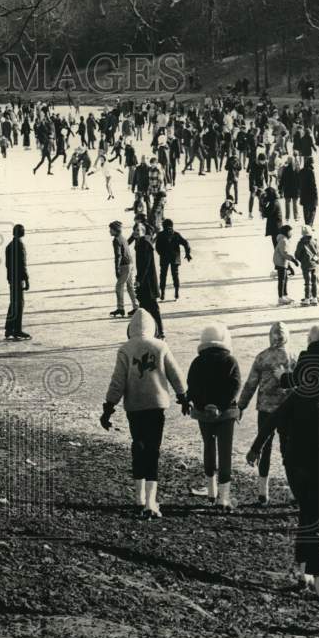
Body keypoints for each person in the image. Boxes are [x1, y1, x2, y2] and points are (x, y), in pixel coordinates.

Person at [261, 346, 319, 601]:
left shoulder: (301, 394)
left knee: (306, 518)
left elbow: (275, 418)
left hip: (295, 467)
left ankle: (302, 572)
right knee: (318, 525)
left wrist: (256, 448)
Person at [99, 309, 189, 519]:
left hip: (135, 406)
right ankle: (151, 501)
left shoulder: (125, 349)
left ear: (130, 329)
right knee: (153, 449)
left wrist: (108, 408)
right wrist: (183, 397)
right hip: (157, 404)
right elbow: (176, 374)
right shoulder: (161, 346)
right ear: (152, 328)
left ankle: (139, 498)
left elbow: (117, 381)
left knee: (138, 444)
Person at [186, 324, 242, 510]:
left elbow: (192, 386)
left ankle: (211, 492)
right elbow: (234, 387)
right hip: (225, 414)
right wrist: (221, 405)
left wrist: (204, 405)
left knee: (208, 448)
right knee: (225, 453)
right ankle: (223, 499)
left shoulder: (197, 362)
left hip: (204, 414)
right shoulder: (230, 361)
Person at [241, 322, 297, 505]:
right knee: (287, 450)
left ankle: (263, 493)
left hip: (265, 409)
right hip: (287, 410)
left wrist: (241, 405)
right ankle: (293, 491)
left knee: (264, 449)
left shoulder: (262, 357)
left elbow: (250, 384)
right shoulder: (294, 357)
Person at [131, 221, 164, 338]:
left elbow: (145, 265)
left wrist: (139, 280)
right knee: (145, 308)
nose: (136, 232)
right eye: (135, 230)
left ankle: (160, 332)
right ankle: (151, 332)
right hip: (146, 280)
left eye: (138, 230)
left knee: (153, 308)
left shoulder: (144, 244)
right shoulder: (141, 241)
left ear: (143, 232)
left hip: (148, 282)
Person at [4, 224, 31, 340]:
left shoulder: (9, 246)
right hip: (18, 278)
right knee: (19, 304)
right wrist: (26, 279)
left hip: (11, 278)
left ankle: (9, 329)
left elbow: (7, 264)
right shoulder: (20, 245)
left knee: (13, 303)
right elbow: (22, 264)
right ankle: (17, 330)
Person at [154, 219, 191, 301]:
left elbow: (157, 247)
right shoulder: (176, 234)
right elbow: (186, 243)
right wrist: (187, 253)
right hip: (174, 257)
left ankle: (164, 293)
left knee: (163, 275)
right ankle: (175, 293)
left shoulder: (161, 234)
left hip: (166, 258)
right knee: (174, 275)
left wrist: (161, 253)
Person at [109, 220, 136, 318]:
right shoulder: (123, 238)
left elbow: (118, 255)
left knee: (119, 286)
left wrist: (117, 268)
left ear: (115, 231)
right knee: (130, 286)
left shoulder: (116, 240)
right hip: (130, 263)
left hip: (124, 265)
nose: (109, 231)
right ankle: (136, 306)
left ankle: (120, 308)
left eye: (111, 229)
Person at [295, 225, 319, 306]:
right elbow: (318, 252)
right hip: (314, 264)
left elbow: (297, 255)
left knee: (307, 282)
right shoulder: (314, 241)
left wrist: (301, 260)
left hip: (305, 265)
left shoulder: (300, 243)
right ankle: (314, 298)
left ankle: (307, 298)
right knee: (314, 281)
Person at [274, 224, 299, 305]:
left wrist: (289, 266)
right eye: (290, 232)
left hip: (283, 262)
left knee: (285, 279)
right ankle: (281, 297)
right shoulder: (283, 241)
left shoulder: (285, 240)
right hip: (280, 263)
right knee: (281, 280)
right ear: (286, 232)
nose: (291, 234)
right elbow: (284, 254)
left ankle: (285, 295)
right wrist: (293, 260)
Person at [299, 158, 318, 226]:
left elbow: (298, 183)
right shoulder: (311, 172)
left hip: (303, 194)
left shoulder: (301, 171)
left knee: (305, 210)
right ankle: (310, 224)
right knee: (313, 210)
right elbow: (313, 184)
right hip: (311, 194)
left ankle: (307, 224)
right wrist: (316, 195)